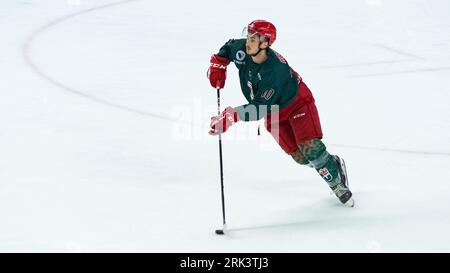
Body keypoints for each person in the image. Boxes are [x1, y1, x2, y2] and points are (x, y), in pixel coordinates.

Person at [207, 20, 354, 207]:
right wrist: (218, 64)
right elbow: (228, 48)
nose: (248, 42)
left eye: (254, 38)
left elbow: (259, 108)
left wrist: (231, 116)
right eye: (248, 36)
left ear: (265, 43)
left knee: (311, 150)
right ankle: (329, 162)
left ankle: (337, 184)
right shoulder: (242, 49)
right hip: (274, 112)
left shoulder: (275, 71)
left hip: (296, 104)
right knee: (300, 157)